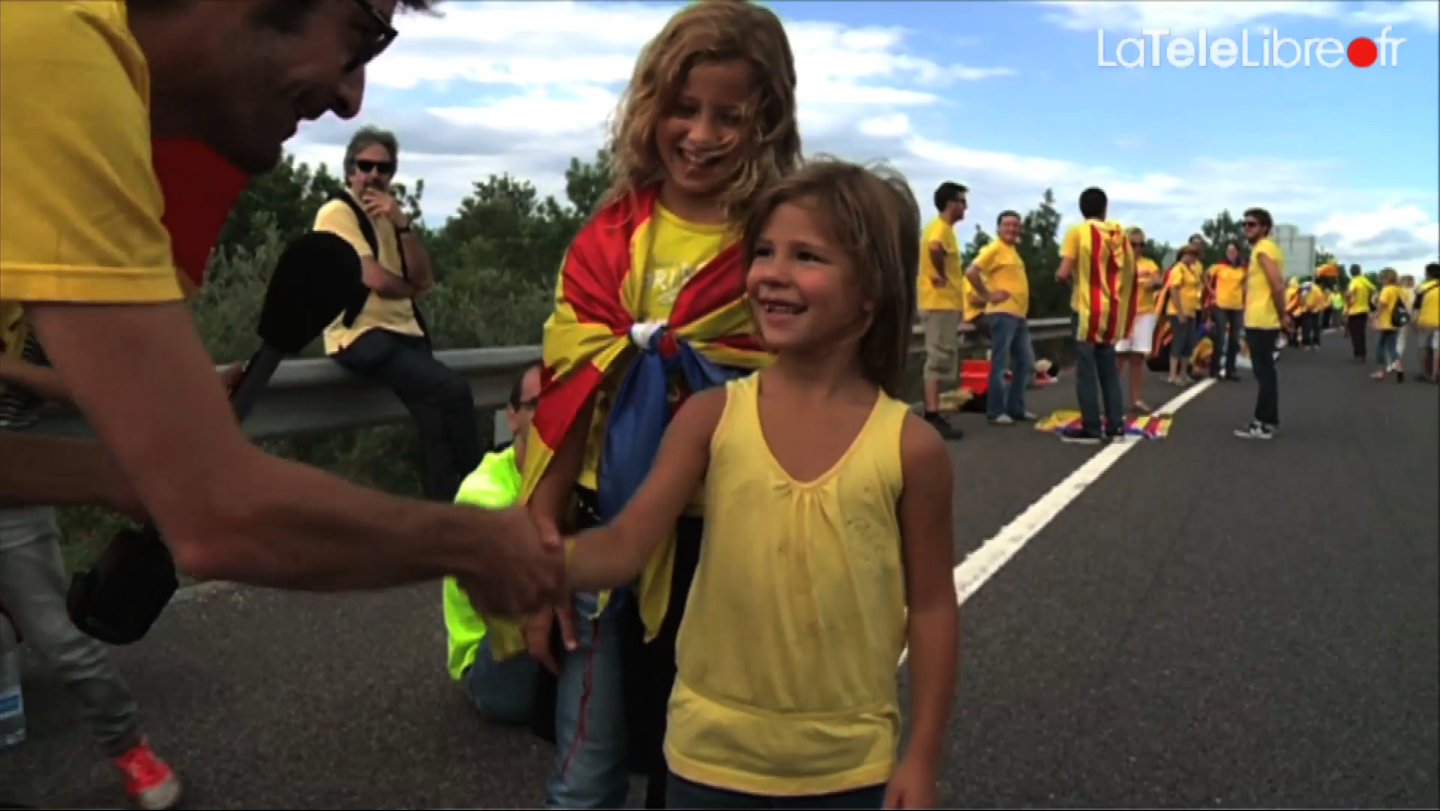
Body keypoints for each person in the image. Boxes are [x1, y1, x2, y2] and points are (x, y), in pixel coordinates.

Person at [0, 1, 560, 613]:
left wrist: (141, 473)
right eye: (361, 38)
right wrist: (479, 541)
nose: (351, 99)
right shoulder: (59, 55)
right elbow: (217, 513)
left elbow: (417, 282)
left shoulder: (60, 56)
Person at [477, 3, 799, 807]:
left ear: (768, 121)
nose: (701, 134)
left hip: (727, 537)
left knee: (701, 762)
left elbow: (809, 391)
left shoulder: (778, 244)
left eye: (730, 116)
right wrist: (542, 548)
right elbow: (564, 405)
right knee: (586, 765)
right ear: (650, 108)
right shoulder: (605, 240)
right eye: (684, 108)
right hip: (601, 530)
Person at [562, 158, 959, 811]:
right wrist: (511, 555)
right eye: (764, 252)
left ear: (871, 291)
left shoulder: (910, 448)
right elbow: (626, 545)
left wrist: (921, 756)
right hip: (707, 758)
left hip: (849, 768)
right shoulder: (710, 417)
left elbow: (934, 606)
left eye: (806, 256)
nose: (772, 272)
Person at [0, 324, 180, 809]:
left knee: (62, 640)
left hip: (11, 484)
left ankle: (131, 751)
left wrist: (8, 368)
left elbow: (81, 383)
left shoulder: (27, 299)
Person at [315, 126, 483, 503]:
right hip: (361, 335)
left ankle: (447, 519)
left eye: (384, 168)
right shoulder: (337, 213)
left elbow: (424, 278)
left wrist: (403, 226)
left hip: (404, 333)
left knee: (436, 428)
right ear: (350, 172)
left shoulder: (389, 217)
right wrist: (410, 289)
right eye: (365, 166)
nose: (374, 175)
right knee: (454, 390)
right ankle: (484, 492)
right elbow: (374, 278)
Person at [444, 364, 546, 724]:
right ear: (512, 418)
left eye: (561, 402)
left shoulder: (576, 475)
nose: (551, 414)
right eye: (537, 404)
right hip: (491, 657)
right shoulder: (483, 494)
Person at [1056, 188, 1137, 444]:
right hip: (1110, 311)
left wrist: (1063, 278)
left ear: (1082, 209)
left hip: (1085, 310)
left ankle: (1091, 427)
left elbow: (1063, 272)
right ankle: (1115, 425)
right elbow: (1129, 270)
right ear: (1105, 209)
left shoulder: (1077, 232)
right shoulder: (1118, 235)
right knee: (1108, 370)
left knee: (1086, 371)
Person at [964, 210, 1034, 425]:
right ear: (999, 228)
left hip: (1018, 314)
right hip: (1002, 313)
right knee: (1000, 362)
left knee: (1025, 362)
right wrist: (987, 296)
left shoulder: (1012, 252)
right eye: (1007, 225)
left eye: (1015, 225)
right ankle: (995, 410)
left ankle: (1016, 407)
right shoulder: (994, 249)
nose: (1011, 228)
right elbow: (971, 271)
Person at [916, 182, 970, 441]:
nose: (965, 207)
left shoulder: (942, 228)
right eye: (962, 202)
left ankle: (933, 411)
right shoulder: (940, 228)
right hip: (938, 303)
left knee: (942, 356)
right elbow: (935, 247)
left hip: (944, 304)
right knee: (937, 358)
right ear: (950, 204)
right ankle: (931, 414)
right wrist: (939, 273)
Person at [1234, 208, 1289, 440]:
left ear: (1264, 228)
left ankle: (1264, 423)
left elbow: (1276, 284)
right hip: (1260, 317)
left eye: (1252, 224)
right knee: (1265, 372)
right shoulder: (1264, 249)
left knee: (1264, 372)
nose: (1247, 228)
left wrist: (1283, 313)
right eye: (1245, 224)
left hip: (1262, 319)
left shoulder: (1263, 249)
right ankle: (1267, 420)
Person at [1114, 228, 1161, 413]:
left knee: (1137, 359)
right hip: (1123, 314)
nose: (1138, 248)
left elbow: (1159, 280)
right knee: (1118, 358)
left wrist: (1153, 283)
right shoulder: (1118, 263)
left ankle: (1135, 399)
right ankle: (1111, 400)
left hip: (1144, 314)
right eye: (1134, 244)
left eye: (1142, 244)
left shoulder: (1148, 264)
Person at [1164, 244, 1203, 386]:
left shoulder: (1192, 270)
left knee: (1189, 342)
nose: (1192, 257)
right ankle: (1173, 374)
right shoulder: (1178, 269)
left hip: (1191, 311)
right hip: (1178, 311)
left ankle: (1183, 373)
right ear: (1183, 255)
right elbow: (1174, 290)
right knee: (1179, 341)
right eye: (1190, 254)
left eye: (1194, 255)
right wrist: (1180, 312)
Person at [1209, 242, 1247, 380]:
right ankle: (1215, 368)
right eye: (1228, 251)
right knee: (1220, 338)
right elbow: (1205, 276)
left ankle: (1231, 369)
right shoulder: (1219, 266)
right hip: (1221, 305)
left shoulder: (1243, 268)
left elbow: (1246, 285)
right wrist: (1211, 291)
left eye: (1233, 250)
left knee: (1234, 339)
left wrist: (1245, 301)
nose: (1231, 253)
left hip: (1237, 306)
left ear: (1238, 252)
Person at [1370, 268, 1404, 382]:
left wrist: (1375, 316)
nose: (1381, 280)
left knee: (1379, 347)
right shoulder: (1399, 290)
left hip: (1385, 322)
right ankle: (1399, 368)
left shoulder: (1387, 290)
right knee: (1392, 348)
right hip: (1396, 322)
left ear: (1387, 278)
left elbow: (1382, 305)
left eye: (1382, 278)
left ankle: (1380, 372)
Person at [1343, 264, 1375, 362]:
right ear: (1360, 271)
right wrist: (1368, 298)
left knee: (1355, 333)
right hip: (1364, 309)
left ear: (1351, 272)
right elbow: (1373, 289)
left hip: (1354, 310)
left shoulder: (1354, 281)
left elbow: (1349, 293)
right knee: (1361, 333)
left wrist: (1347, 300)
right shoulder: (1364, 280)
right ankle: (1363, 353)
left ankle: (1358, 354)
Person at [1414, 263, 1440, 382]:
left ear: (1428, 274)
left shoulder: (1422, 288)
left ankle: (1424, 373)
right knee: (1437, 349)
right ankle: (1435, 374)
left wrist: (1413, 321)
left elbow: (1417, 307)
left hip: (1425, 322)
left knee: (1423, 347)